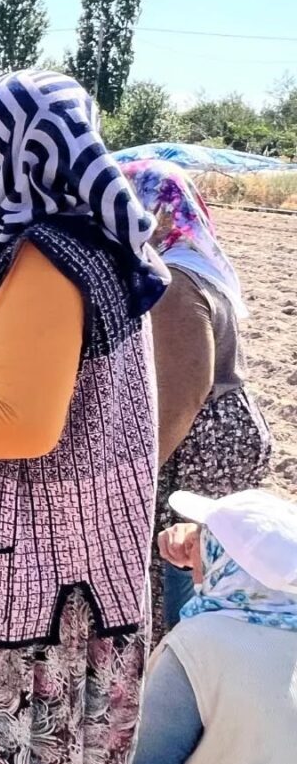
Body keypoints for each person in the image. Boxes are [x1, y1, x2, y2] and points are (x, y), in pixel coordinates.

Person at [0, 70, 167, 764]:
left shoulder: (44, 260)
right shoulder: (95, 241)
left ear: (9, 158)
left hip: (24, 582)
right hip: (72, 562)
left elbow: (20, 423)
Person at [121, 159, 272, 636]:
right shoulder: (196, 266)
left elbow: (183, 397)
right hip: (220, 435)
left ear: (156, 211)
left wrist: (138, 474)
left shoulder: (175, 280)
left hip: (202, 443)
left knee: (182, 562)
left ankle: (182, 655)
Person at [132, 488, 297, 764]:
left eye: (204, 535)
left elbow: (148, 761)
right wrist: (183, 570)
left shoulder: (197, 647)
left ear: (221, 560)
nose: (193, 539)